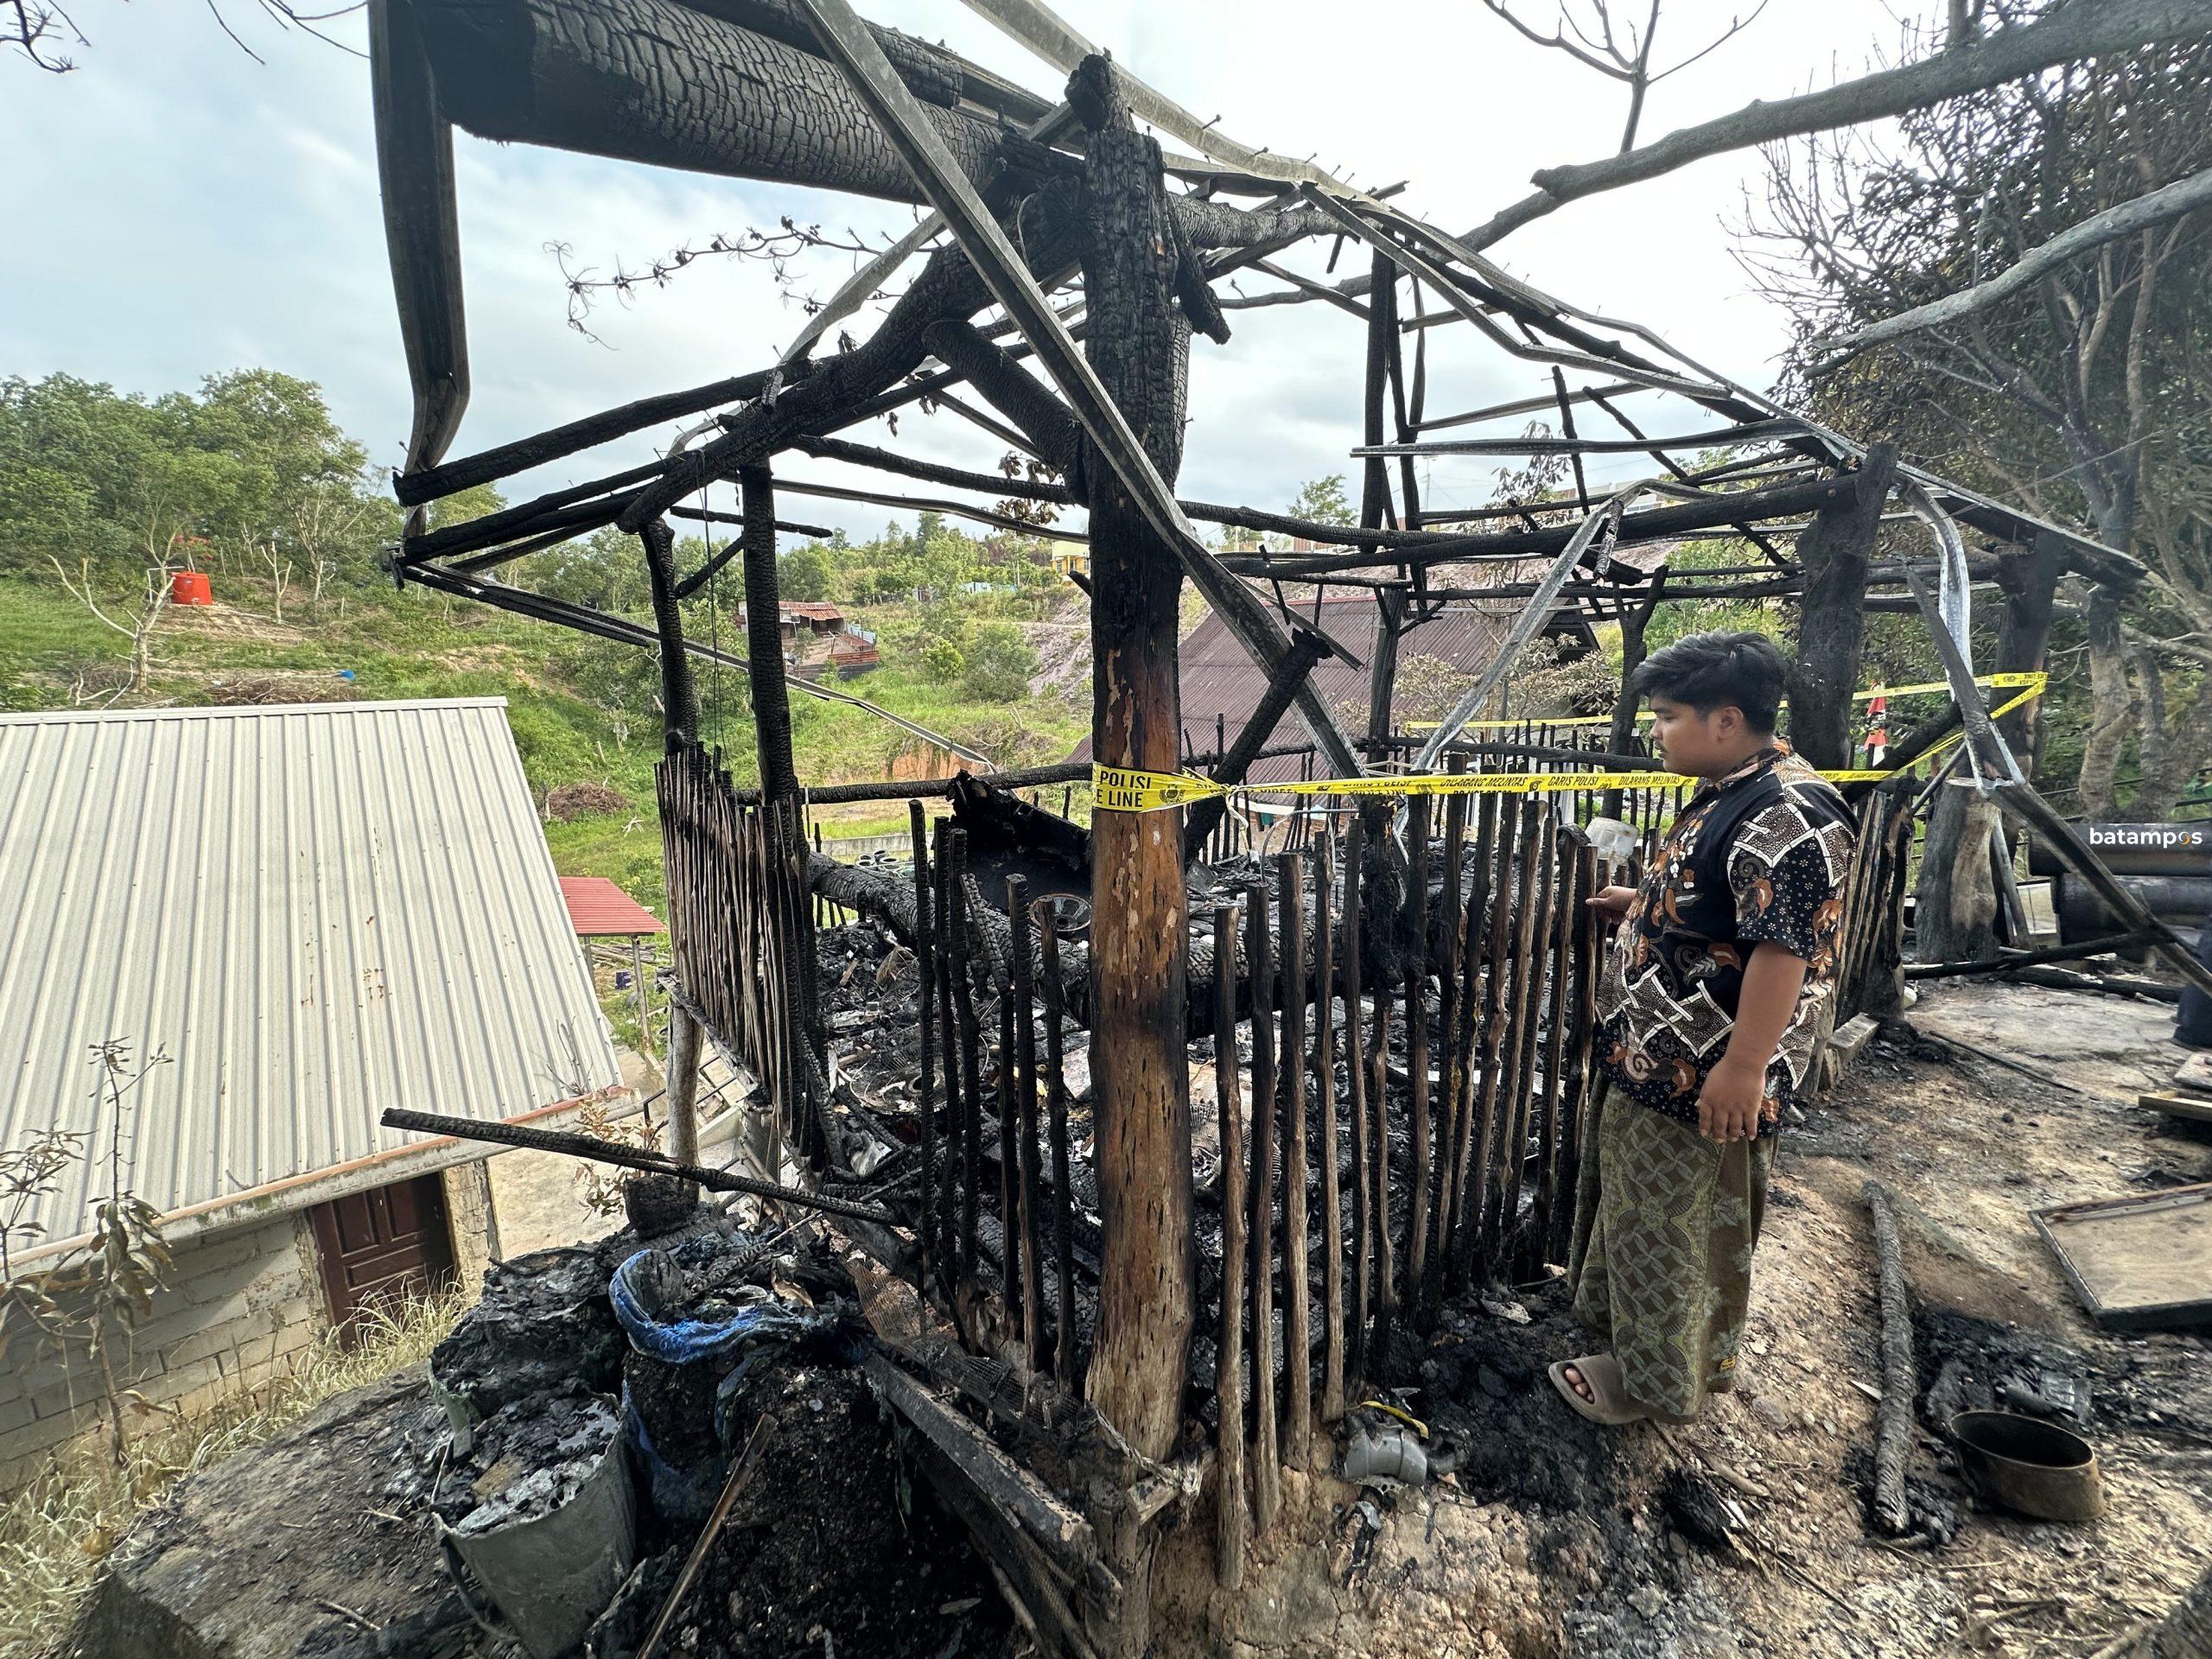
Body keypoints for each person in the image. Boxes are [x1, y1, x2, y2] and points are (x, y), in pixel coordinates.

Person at [1552, 631, 1857, 1426]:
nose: (1655, 732)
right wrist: (1647, 909)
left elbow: (1784, 952)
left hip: (1703, 1075)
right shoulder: (1734, 790)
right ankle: (1631, 1344)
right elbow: (1732, 909)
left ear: (1725, 720)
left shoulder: (1790, 813)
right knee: (1640, 1211)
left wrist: (1745, 1066)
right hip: (1659, 1059)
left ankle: (1652, 1387)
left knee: (1675, 1229)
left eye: (1666, 717)